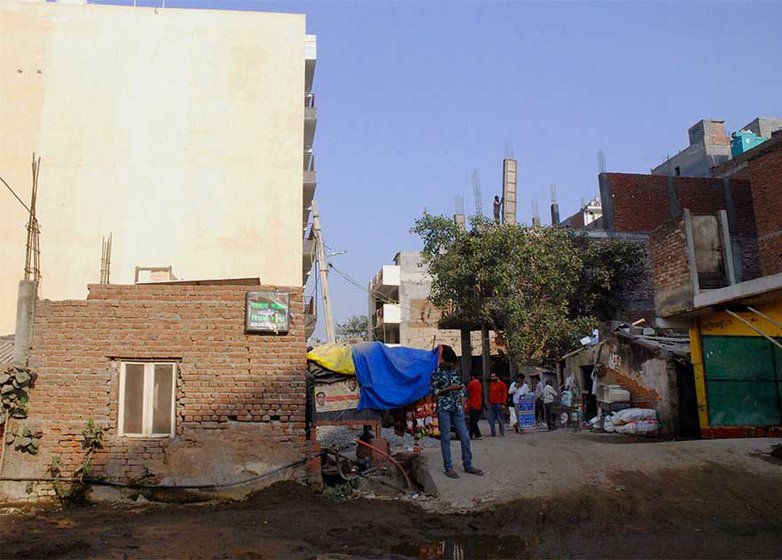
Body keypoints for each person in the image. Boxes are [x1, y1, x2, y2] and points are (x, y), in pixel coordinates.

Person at [430, 346, 483, 479]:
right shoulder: (436, 372)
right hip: (444, 408)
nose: (451, 364)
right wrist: (447, 389)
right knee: (446, 438)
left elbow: (462, 388)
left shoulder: (456, 371)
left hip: (457, 407)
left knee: (465, 437)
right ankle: (448, 468)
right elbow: (433, 391)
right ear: (444, 360)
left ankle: (468, 464)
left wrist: (461, 396)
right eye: (449, 362)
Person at [487, 372, 507, 437]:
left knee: (500, 419)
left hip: (499, 403)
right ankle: (493, 432)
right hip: (492, 403)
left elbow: (504, 394)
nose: (492, 378)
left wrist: (503, 403)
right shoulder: (491, 384)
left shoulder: (502, 384)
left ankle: (501, 433)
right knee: (490, 419)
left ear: (497, 377)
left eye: (493, 377)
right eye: (491, 377)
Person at [465, 373, 483, 440]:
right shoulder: (480, 384)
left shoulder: (471, 383)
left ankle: (478, 434)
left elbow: (467, 390)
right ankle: (470, 434)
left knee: (473, 421)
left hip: (473, 403)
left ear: (472, 377)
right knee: (473, 420)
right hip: (478, 403)